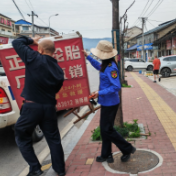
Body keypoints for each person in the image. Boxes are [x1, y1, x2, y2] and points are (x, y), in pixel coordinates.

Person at [12, 36, 65, 176]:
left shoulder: (33, 57)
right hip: (49, 108)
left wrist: (32, 40)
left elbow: (16, 42)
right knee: (54, 139)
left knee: (22, 136)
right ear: (53, 51)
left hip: (31, 107)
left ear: (40, 50)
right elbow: (56, 89)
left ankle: (35, 168)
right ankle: (60, 169)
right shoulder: (59, 70)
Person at [82, 40, 136, 163]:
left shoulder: (111, 67)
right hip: (107, 102)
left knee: (107, 129)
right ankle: (106, 154)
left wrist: (99, 92)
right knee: (104, 129)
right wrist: (88, 57)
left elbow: (116, 87)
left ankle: (127, 149)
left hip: (111, 103)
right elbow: (98, 66)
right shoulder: (105, 65)